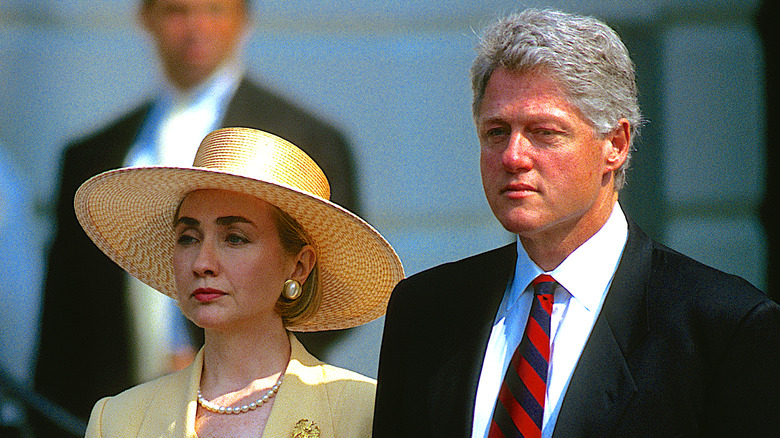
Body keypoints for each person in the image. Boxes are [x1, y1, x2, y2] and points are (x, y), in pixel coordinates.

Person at [373, 8, 780, 438]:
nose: (513, 156)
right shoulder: (426, 312)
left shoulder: (723, 327)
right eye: (496, 131)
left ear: (616, 145)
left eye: (544, 132)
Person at [34, 0, 359, 431]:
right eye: (176, 10)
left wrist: (231, 357)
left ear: (243, 18)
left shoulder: (305, 138)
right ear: (146, 18)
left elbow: (332, 278)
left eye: (213, 9)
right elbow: (62, 324)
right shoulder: (92, 154)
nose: (195, 27)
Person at [76, 127, 403, 436]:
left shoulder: (363, 413)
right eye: (188, 238)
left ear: (299, 266)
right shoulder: (120, 420)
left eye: (234, 238)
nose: (202, 263)